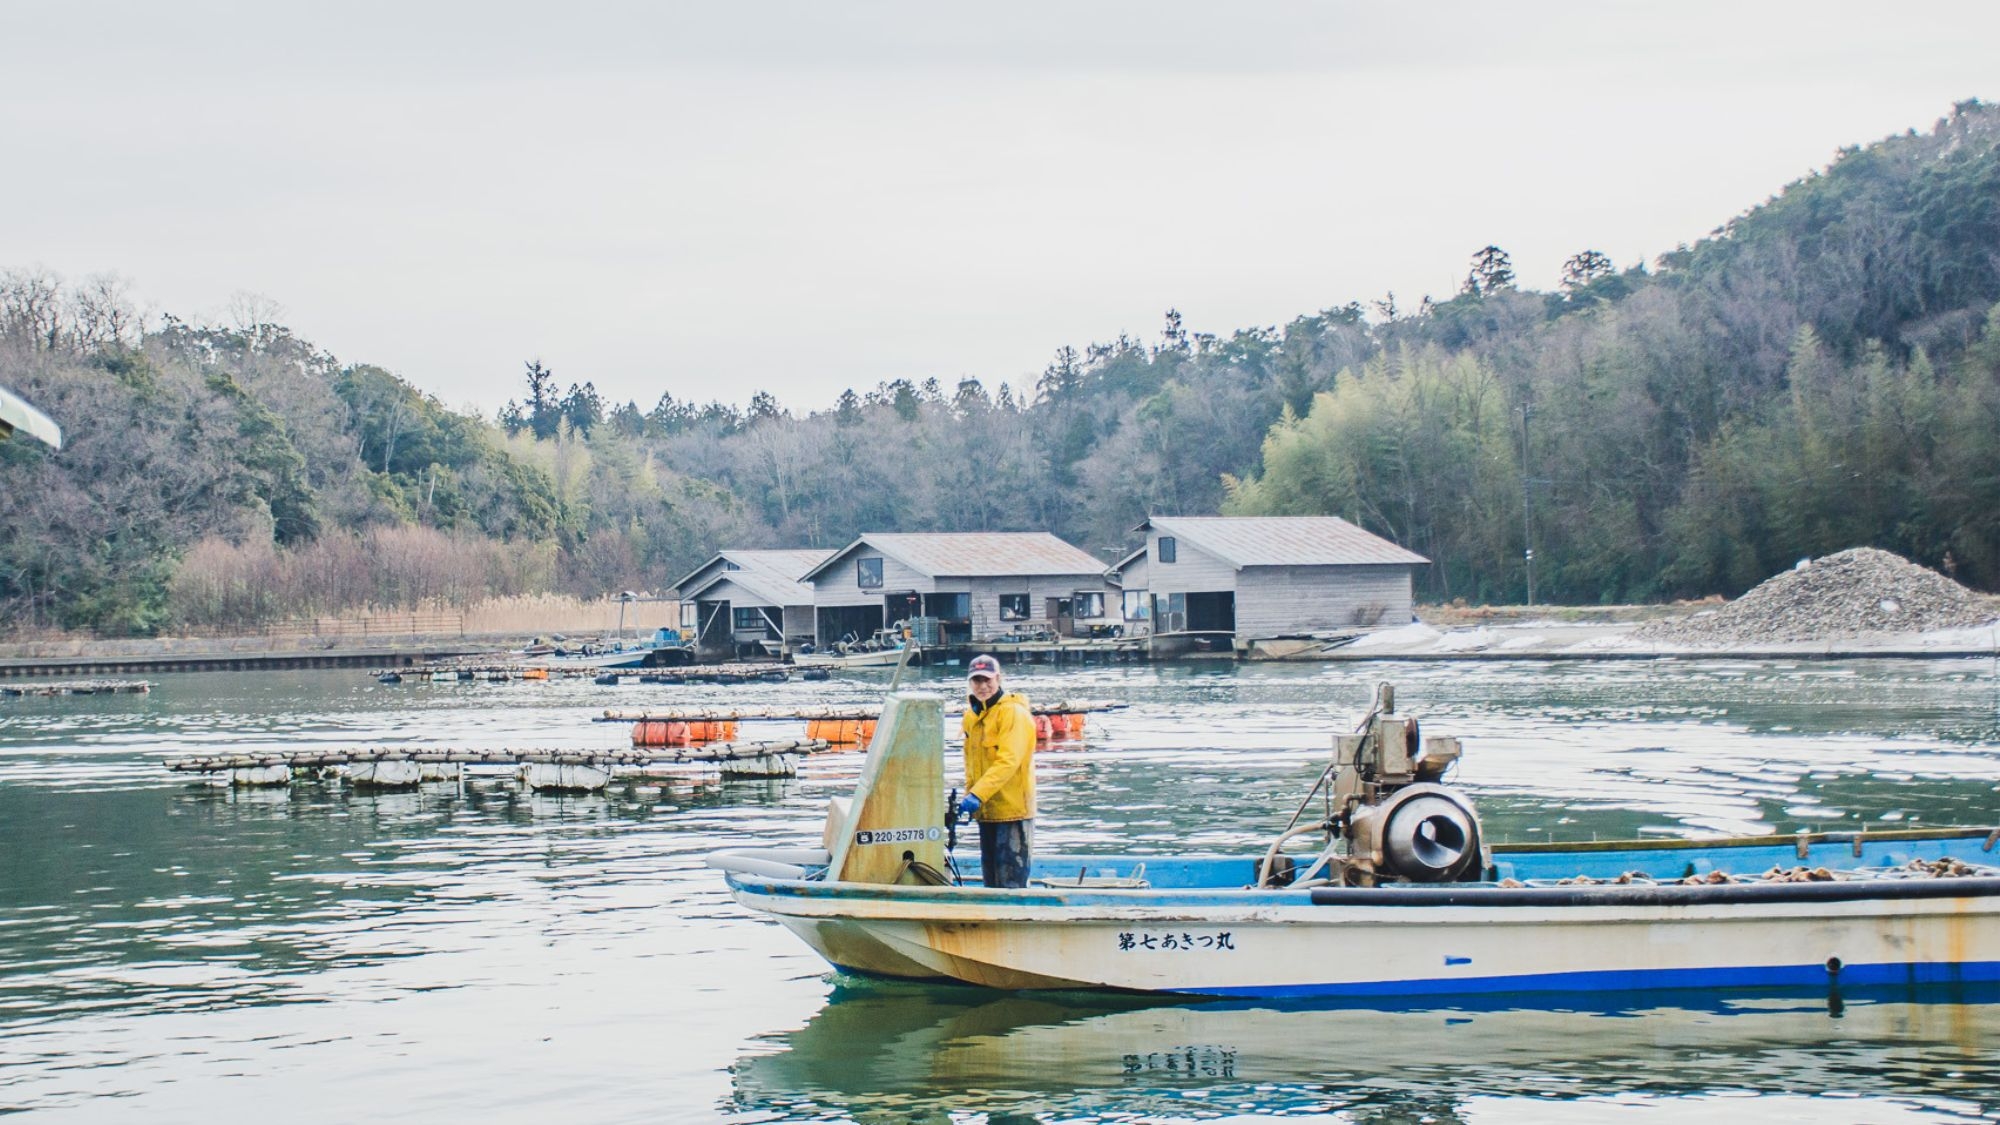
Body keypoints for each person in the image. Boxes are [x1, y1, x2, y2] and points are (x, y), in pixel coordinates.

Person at [956, 653, 1036, 888]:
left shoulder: (1013, 713)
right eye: (977, 681)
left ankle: (1016, 920)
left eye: (987, 680)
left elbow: (1008, 761)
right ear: (970, 683)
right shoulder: (972, 716)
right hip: (986, 811)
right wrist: (968, 794)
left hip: (1012, 812)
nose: (983, 686)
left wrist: (977, 794)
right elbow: (972, 763)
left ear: (998, 679)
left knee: (1010, 883)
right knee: (991, 881)